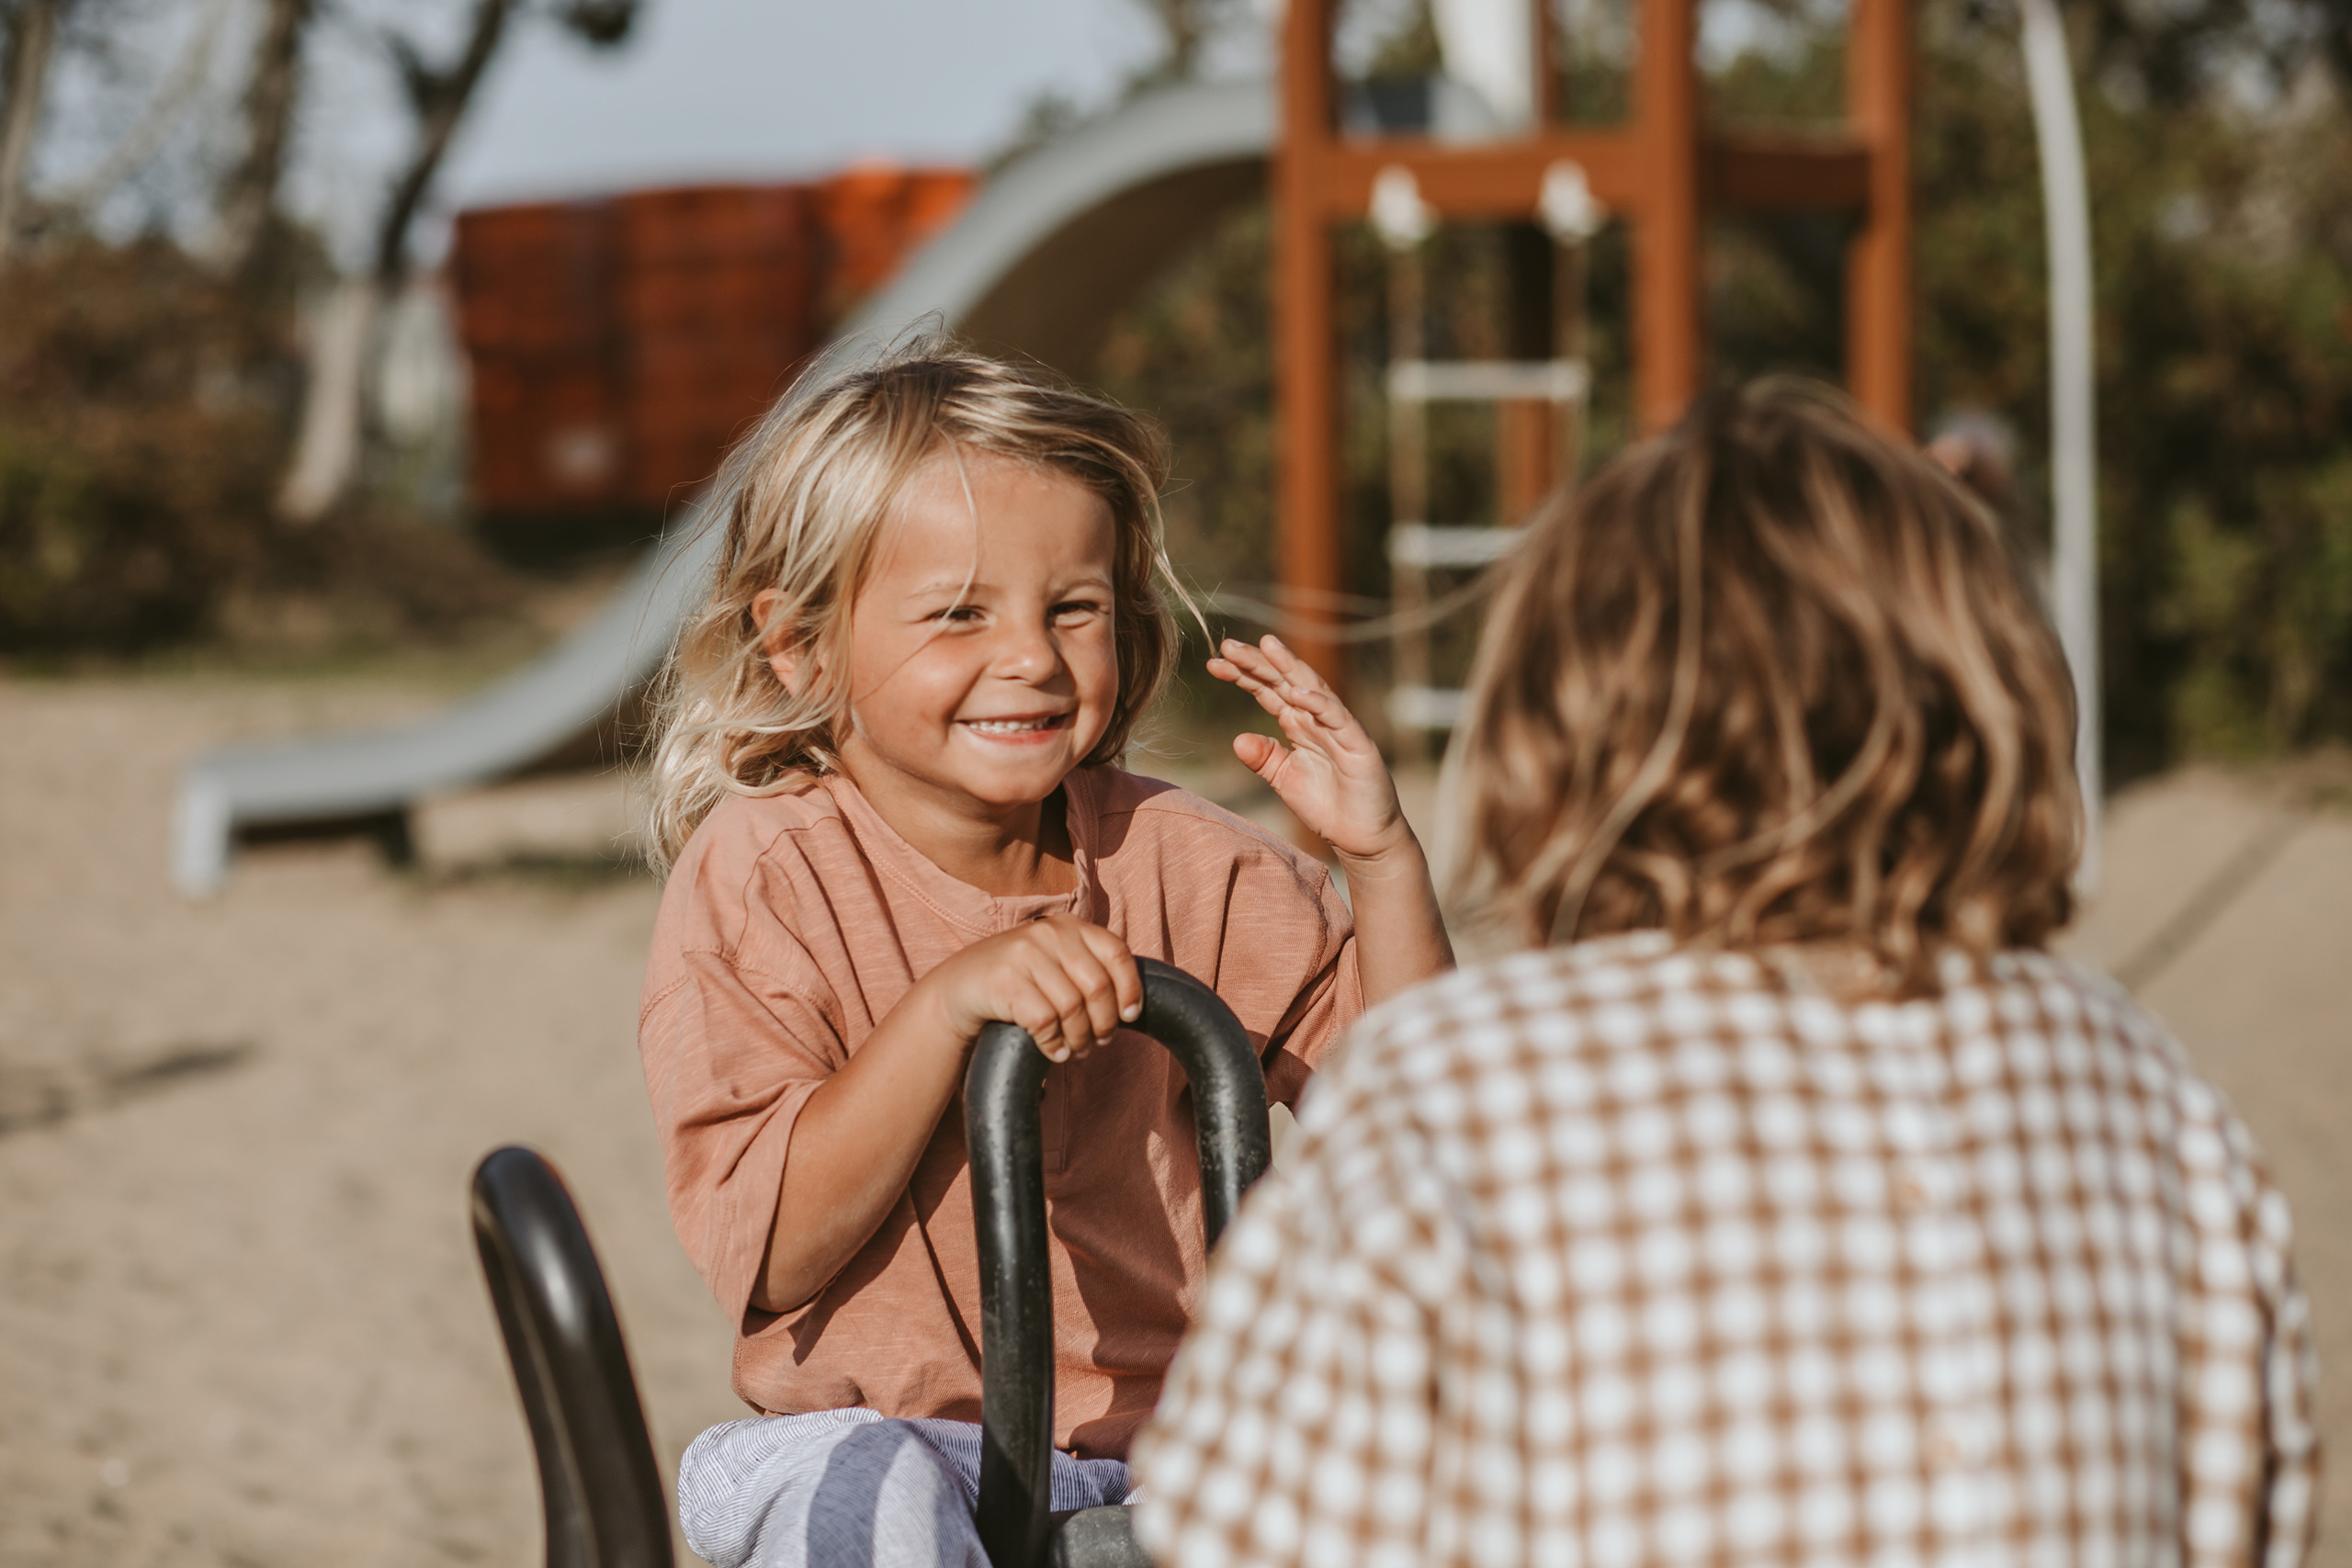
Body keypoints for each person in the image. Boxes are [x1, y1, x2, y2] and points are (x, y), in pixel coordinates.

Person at [1134, 378, 2319, 1568]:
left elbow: (1237, 1526)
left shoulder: (1471, 1082)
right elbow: (2254, 1499)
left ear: (1565, 718)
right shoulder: (2137, 1080)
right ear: (1991, 692)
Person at [634, 342, 1452, 1568]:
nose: (1030, 655)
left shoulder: (1189, 862)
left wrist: (1380, 862)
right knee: (859, 1507)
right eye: (959, 613)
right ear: (801, 643)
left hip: (1181, 1447)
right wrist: (942, 1013)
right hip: (886, 1433)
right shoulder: (768, 875)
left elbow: (1422, 1120)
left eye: (1073, 608)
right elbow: (780, 1249)